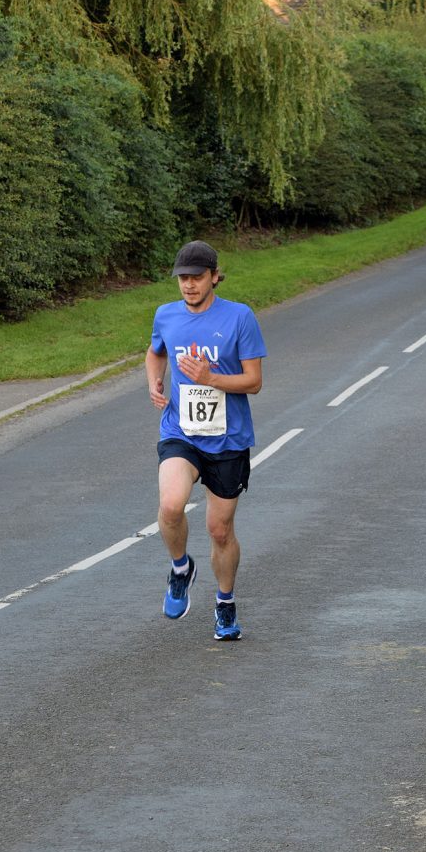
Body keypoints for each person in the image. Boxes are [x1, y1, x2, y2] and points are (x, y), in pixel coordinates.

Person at [145, 240, 267, 640]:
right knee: (170, 504)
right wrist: (155, 381)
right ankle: (181, 568)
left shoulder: (239, 317)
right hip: (180, 431)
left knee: (219, 530)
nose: (189, 285)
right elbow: (155, 352)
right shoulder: (166, 315)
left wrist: (210, 378)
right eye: (182, 278)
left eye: (197, 277)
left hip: (228, 438)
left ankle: (225, 603)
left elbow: (254, 381)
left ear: (214, 276)